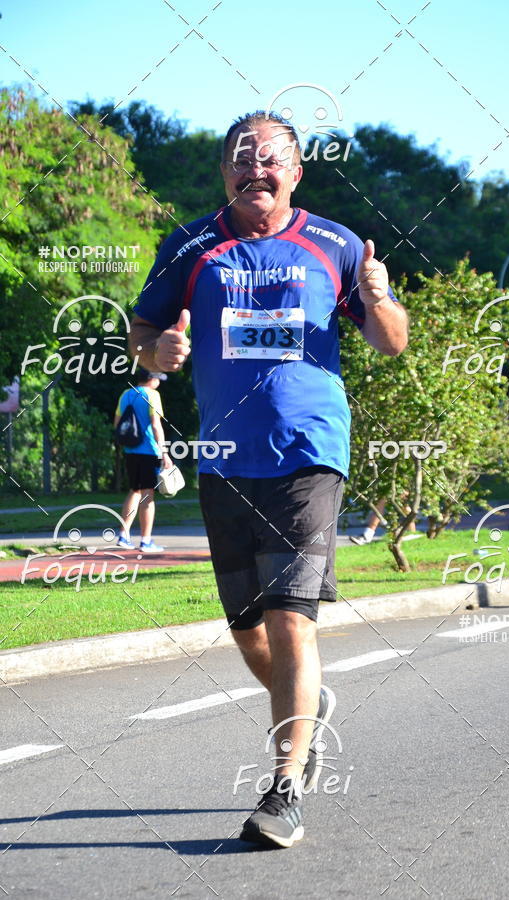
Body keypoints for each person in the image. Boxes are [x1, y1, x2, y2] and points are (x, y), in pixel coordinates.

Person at [129, 110, 408, 847]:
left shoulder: (335, 245)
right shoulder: (191, 245)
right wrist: (160, 352)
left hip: (307, 453)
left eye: (273, 158)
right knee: (249, 630)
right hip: (225, 460)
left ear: (296, 171)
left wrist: (378, 294)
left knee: (291, 618)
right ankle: (305, 715)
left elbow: (391, 343)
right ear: (225, 171)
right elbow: (142, 336)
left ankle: (285, 785)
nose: (258, 169)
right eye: (243, 158)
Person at [114, 368, 173, 552]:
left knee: (135, 491)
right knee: (148, 495)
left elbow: (117, 424)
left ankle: (123, 535)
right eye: (158, 379)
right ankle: (146, 541)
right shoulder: (152, 395)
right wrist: (164, 452)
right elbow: (156, 426)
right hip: (148, 450)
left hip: (130, 449)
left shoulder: (126, 394)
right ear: (151, 379)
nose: (159, 383)